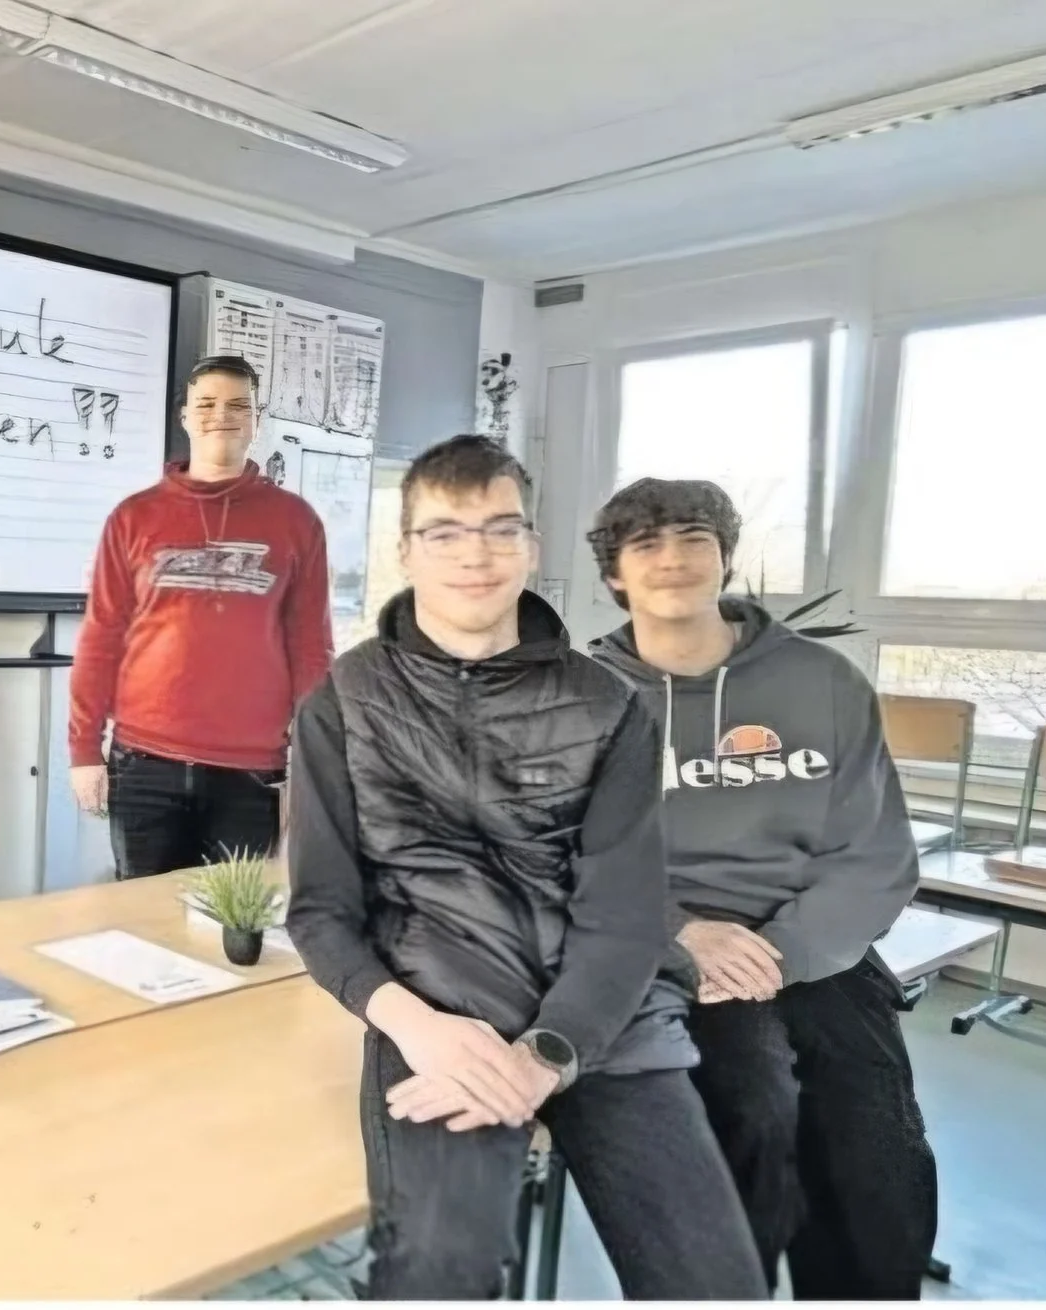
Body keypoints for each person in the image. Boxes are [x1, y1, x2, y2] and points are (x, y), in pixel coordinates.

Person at [283, 435, 764, 1300]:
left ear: (532, 548)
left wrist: (547, 1052)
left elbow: (623, 915)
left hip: (605, 1023)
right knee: (440, 1270)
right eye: (445, 532)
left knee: (714, 1281)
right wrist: (418, 1028)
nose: (475, 555)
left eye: (501, 530)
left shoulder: (606, 705)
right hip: (444, 1018)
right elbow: (321, 912)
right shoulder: (343, 703)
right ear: (405, 552)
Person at [585, 477, 934, 1298]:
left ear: (725, 557)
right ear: (614, 576)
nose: (672, 560)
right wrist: (677, 930)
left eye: (693, 539)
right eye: (645, 545)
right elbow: (557, 852)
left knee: (876, 1147)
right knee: (751, 1115)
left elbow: (876, 854)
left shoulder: (826, 684)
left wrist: (779, 952)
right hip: (661, 953)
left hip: (809, 948)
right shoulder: (583, 698)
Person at [67, 355, 331, 877]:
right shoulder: (134, 517)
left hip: (252, 772)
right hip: (143, 764)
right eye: (206, 404)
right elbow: (102, 638)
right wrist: (83, 750)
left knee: (231, 934)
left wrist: (313, 762)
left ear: (256, 421)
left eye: (238, 405)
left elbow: (310, 648)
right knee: (143, 932)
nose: (221, 416)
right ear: (185, 416)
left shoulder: (296, 522)